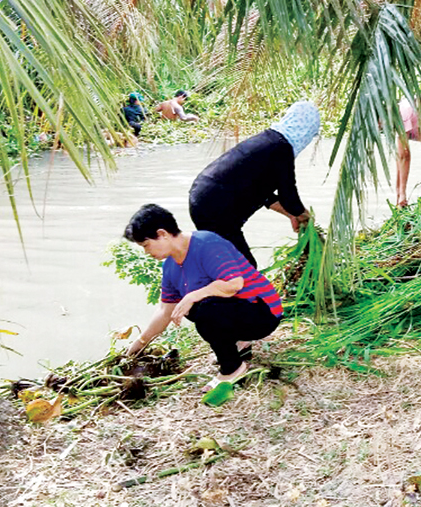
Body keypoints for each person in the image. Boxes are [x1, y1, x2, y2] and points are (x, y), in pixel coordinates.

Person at [122, 204, 281, 391]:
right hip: (237, 312)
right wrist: (139, 344)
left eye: (146, 245)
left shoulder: (207, 244)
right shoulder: (169, 266)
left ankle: (233, 368)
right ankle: (239, 344)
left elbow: (234, 284)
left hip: (263, 313)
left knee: (205, 308)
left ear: (163, 234)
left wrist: (194, 295)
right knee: (189, 307)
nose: (146, 252)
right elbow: (166, 310)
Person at [187, 100, 319, 268]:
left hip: (203, 199)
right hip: (216, 206)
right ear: (306, 129)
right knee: (245, 269)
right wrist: (305, 217)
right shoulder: (282, 148)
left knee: (235, 266)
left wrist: (292, 215)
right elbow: (289, 197)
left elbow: (265, 195)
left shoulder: (268, 141)